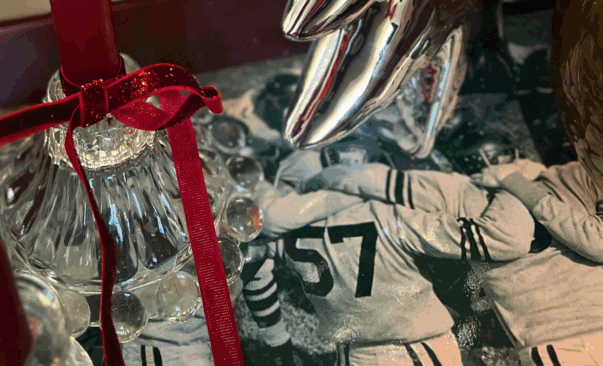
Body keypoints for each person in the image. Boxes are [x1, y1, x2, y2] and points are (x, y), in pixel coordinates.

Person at [319, 157, 603, 366]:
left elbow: (385, 182)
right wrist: (516, 181)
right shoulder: (577, 176)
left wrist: (320, 179)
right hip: (563, 341)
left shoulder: (460, 190)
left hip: (554, 344)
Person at [252, 163, 534, 366]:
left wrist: (277, 337)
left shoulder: (286, 233)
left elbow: (252, 264)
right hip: (423, 351)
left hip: (354, 356)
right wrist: (512, 184)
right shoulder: (390, 215)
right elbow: (505, 240)